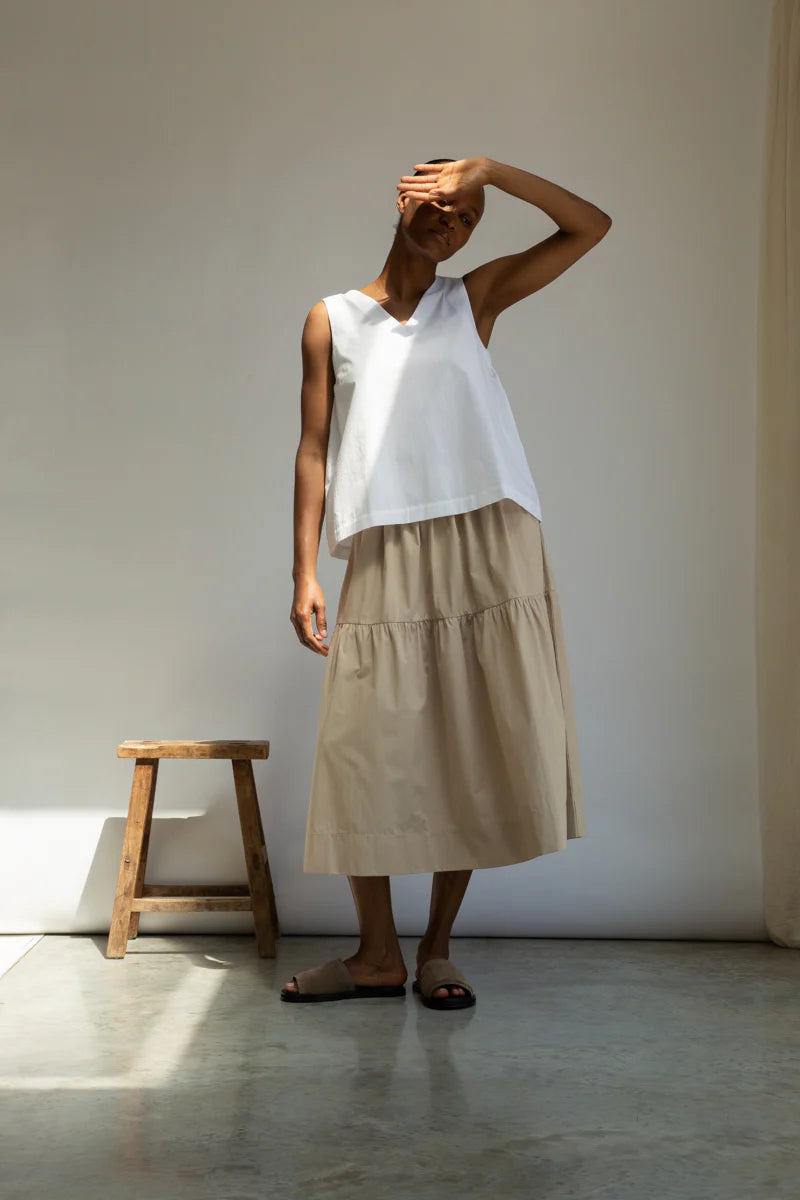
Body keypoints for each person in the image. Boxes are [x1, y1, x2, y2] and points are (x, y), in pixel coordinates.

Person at [284, 156, 611, 1009]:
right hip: (386, 539)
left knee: (470, 734)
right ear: (403, 197)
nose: (453, 225)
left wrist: (495, 171)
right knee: (366, 744)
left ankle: (433, 951)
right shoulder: (332, 320)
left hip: (488, 530)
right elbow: (314, 450)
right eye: (441, 206)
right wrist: (304, 571)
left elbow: (589, 225)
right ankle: (375, 954)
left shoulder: (471, 300)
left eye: (468, 216)